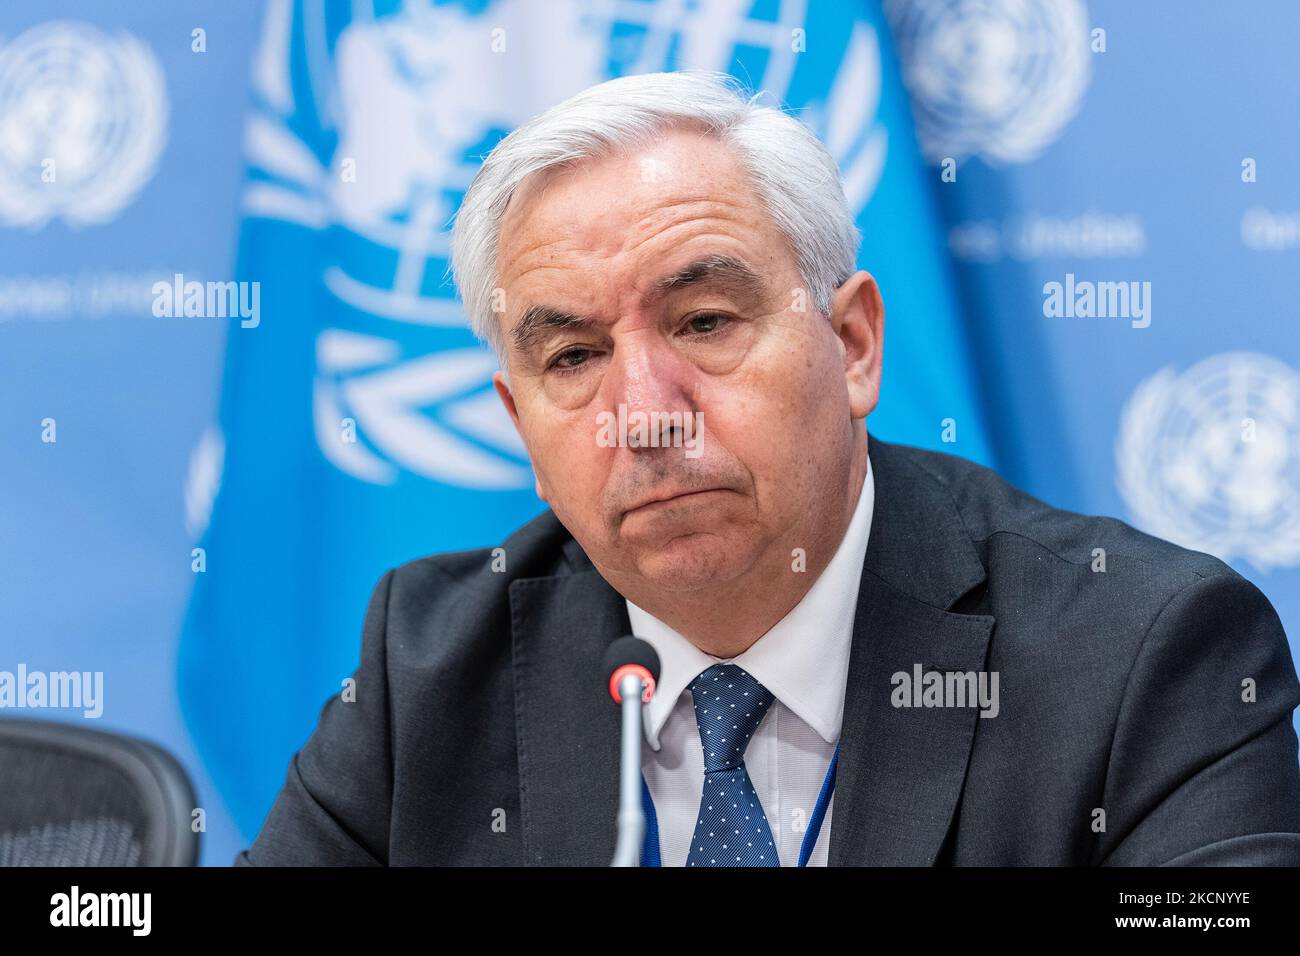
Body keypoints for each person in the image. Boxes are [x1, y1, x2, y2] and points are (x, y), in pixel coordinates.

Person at [236, 70, 1300, 866]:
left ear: (852, 346)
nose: (644, 418)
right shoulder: (428, 666)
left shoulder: (1140, 654)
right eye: (572, 356)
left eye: (703, 321)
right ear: (521, 422)